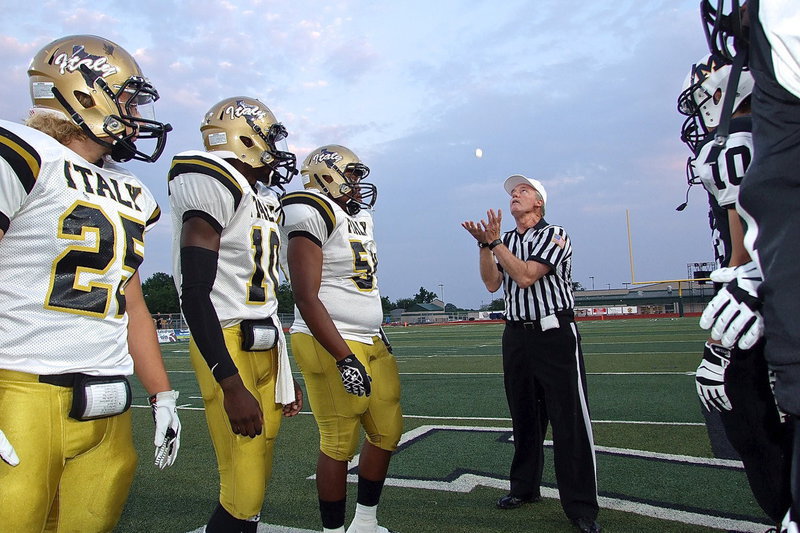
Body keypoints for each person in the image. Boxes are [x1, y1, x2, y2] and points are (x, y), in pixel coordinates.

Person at [0, 34, 180, 532]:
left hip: (108, 403)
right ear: (81, 93)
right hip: (23, 392)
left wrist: (161, 393)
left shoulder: (129, 189)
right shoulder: (21, 152)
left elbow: (132, 303)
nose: (135, 115)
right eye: (127, 98)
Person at [169, 96, 304, 533]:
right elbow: (195, 294)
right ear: (243, 138)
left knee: (258, 475)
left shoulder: (260, 195)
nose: (275, 150)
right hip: (226, 340)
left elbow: (264, 296)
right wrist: (229, 383)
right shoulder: (213, 178)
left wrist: (286, 370)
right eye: (268, 138)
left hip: (265, 341)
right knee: (243, 487)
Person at [697, 1, 800, 530]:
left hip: (758, 302)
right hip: (763, 295)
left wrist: (718, 346)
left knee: (754, 426)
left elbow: (744, 239)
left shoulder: (735, 138)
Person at [461, 174, 600, 533]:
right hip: (516, 335)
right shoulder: (504, 241)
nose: (515, 195)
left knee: (568, 420)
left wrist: (496, 245)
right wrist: (484, 246)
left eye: (523, 191)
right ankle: (524, 488)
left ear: (539, 202)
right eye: (512, 192)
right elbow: (493, 283)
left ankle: (581, 507)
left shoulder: (556, 235)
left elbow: (525, 276)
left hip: (554, 333)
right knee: (524, 416)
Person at [281, 145, 402, 533]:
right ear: (326, 175)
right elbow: (305, 294)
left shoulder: (360, 216)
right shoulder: (309, 209)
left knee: (387, 430)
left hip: (368, 337)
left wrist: (374, 328)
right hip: (326, 340)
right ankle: (333, 531)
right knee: (338, 440)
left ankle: (365, 522)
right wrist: (344, 357)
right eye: (351, 176)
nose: (357, 186)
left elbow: (361, 286)